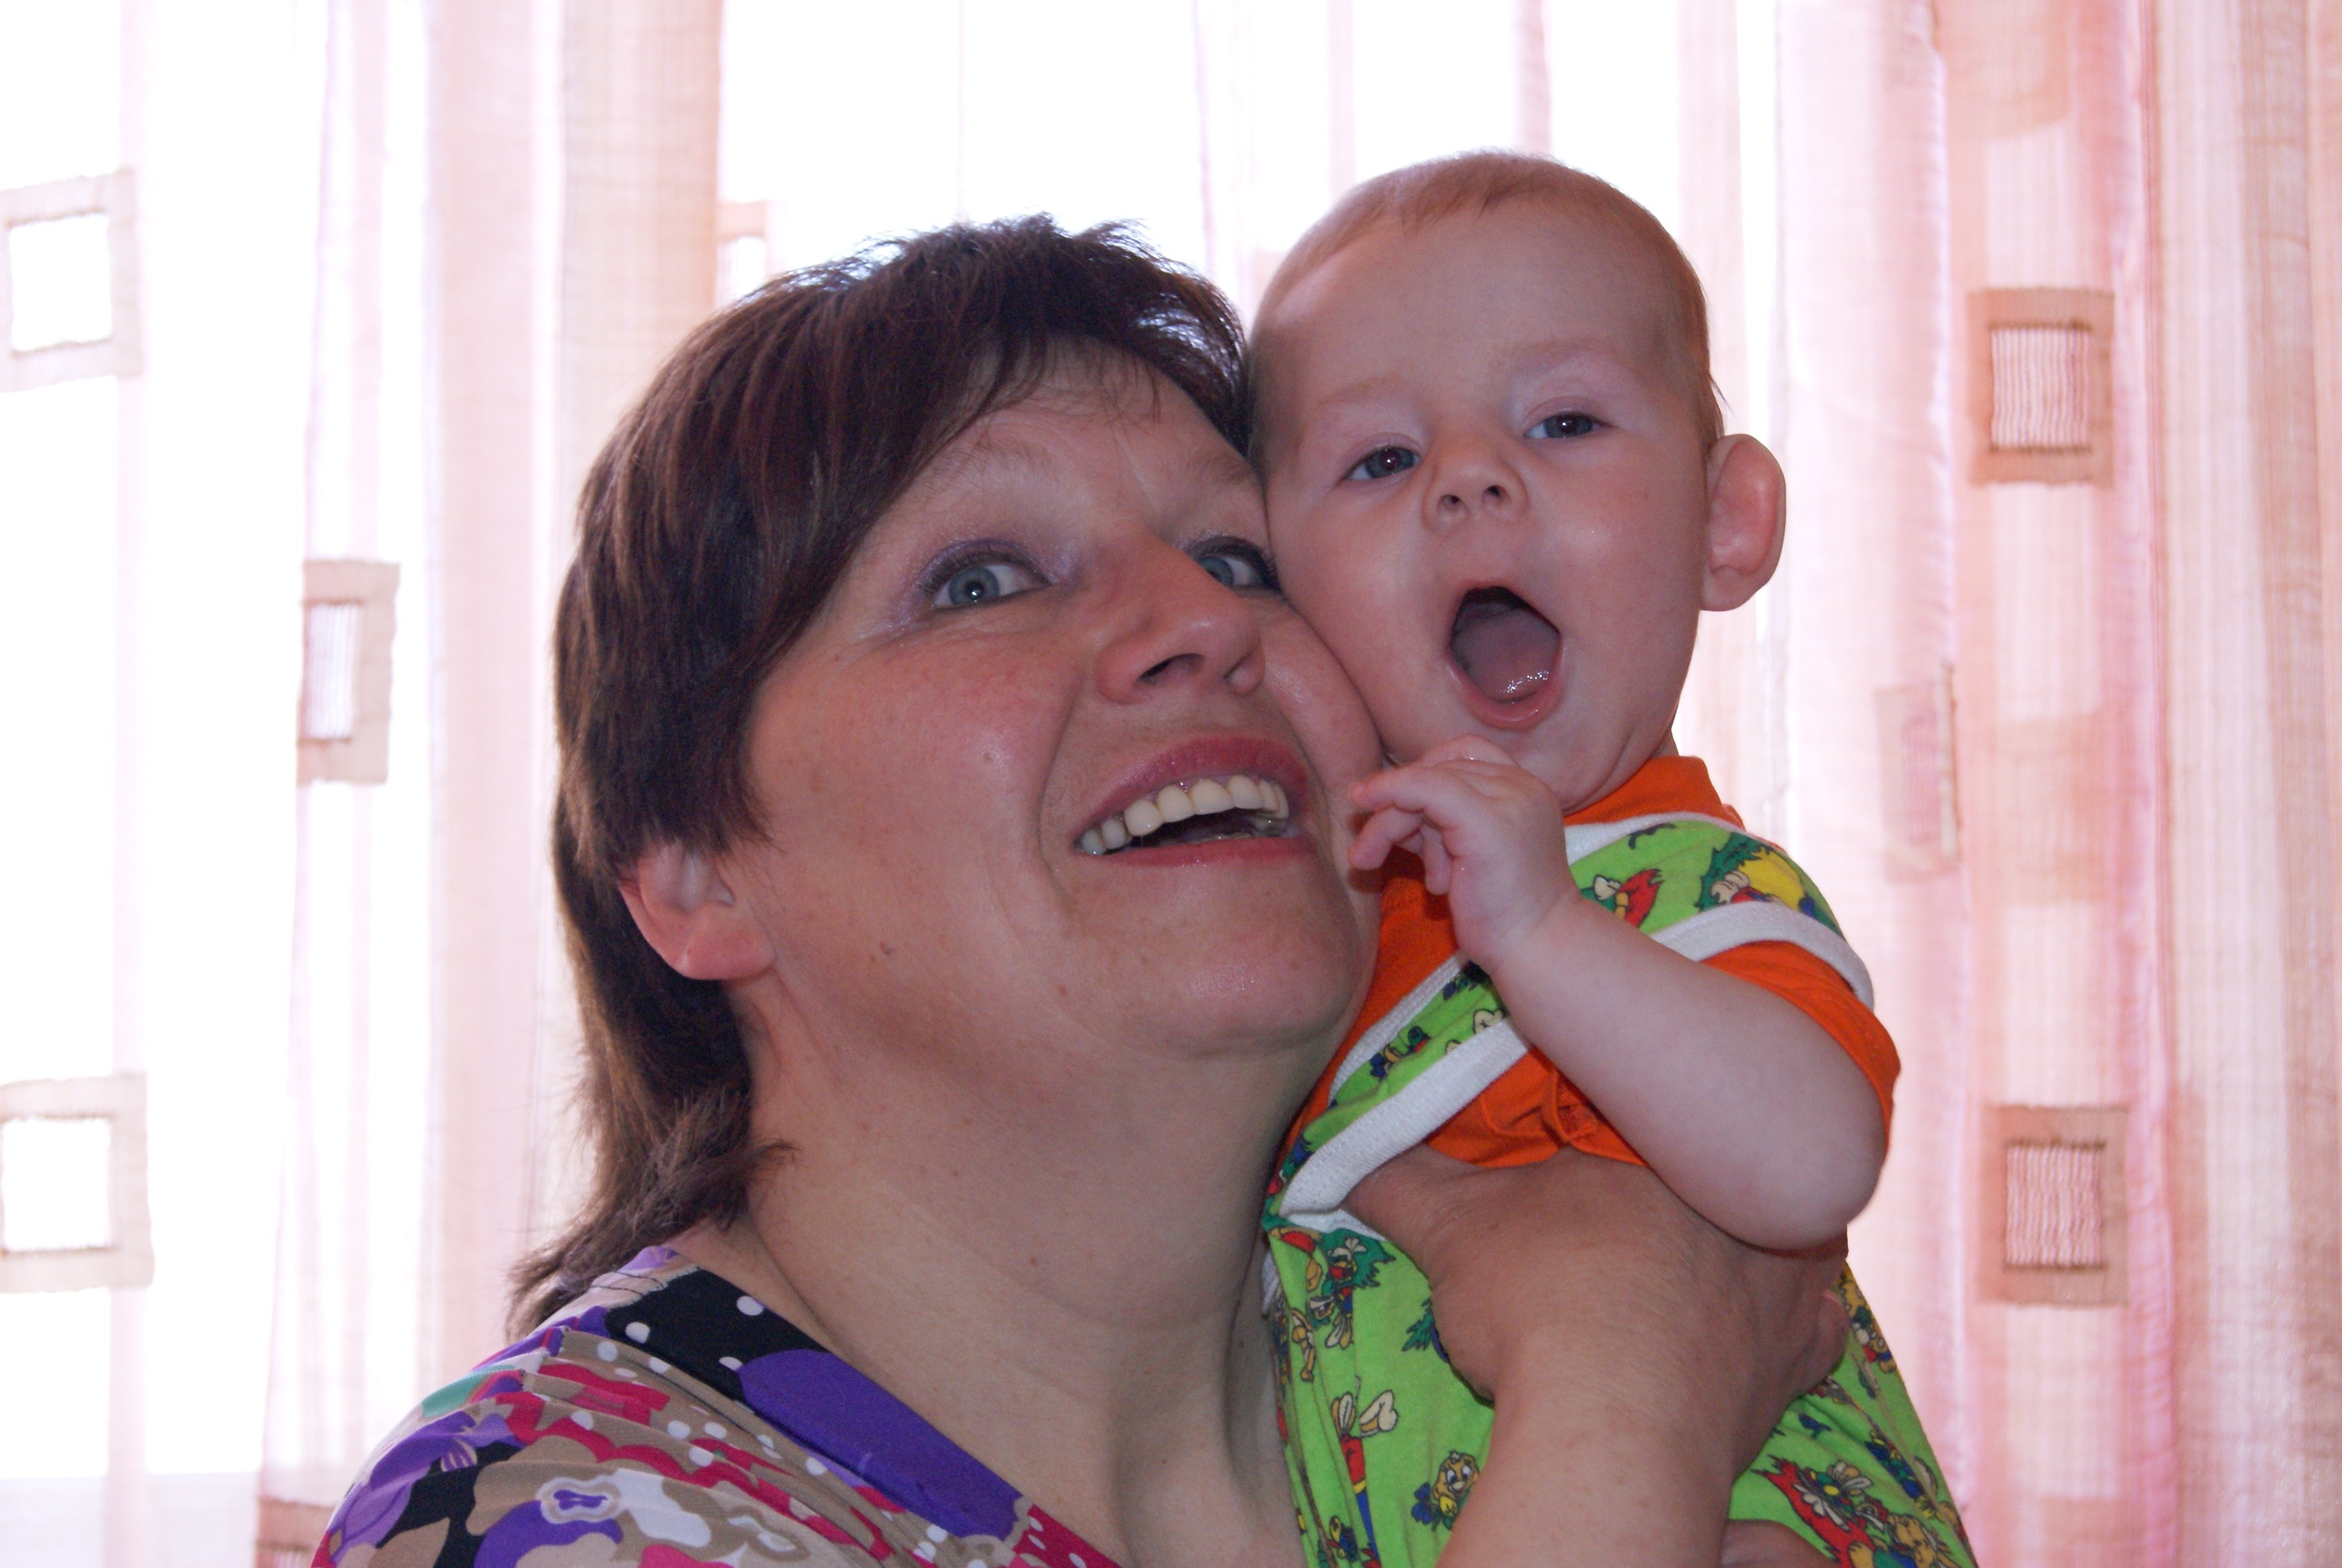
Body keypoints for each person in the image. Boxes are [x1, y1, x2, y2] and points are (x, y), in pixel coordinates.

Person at [315, 218, 1850, 1568]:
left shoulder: (1473, 1312)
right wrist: (1624, 1374)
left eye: (1239, 558)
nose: (1202, 621)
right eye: (981, 578)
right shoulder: (539, 1512)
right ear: (700, 872)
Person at [1247, 152, 1975, 1568]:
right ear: (1278, 575)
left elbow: (1814, 1159)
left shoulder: (1687, 889)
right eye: (1381, 459)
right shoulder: (1312, 921)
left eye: (1564, 420)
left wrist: (1538, 927)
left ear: (1724, 521)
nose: (1470, 478)